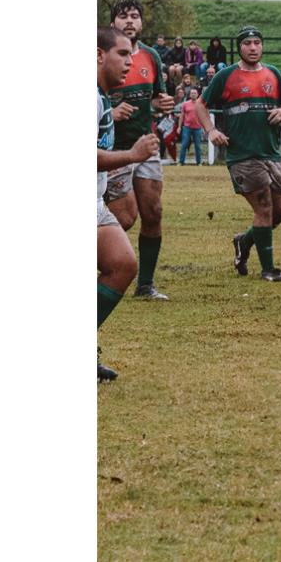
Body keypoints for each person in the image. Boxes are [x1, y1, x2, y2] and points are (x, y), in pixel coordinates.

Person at [191, 26, 281, 282]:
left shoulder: (272, 73)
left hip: (271, 153)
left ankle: (244, 240)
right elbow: (200, 104)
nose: (253, 47)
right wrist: (211, 131)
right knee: (263, 207)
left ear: (262, 46)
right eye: (247, 43)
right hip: (242, 154)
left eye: (257, 43)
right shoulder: (226, 76)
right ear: (239, 47)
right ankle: (269, 270)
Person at [97, 27, 162, 381]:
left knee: (122, 264)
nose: (129, 61)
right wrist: (131, 155)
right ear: (98, 55)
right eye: (122, 54)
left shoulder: (100, 95)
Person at [103, 0, 176, 301]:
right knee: (124, 218)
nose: (130, 22)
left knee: (153, 212)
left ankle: (145, 285)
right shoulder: (101, 56)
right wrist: (111, 110)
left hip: (146, 145)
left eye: (135, 17)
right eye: (123, 17)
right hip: (114, 148)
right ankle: (109, 265)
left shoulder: (152, 56)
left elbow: (156, 100)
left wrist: (162, 105)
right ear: (112, 23)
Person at [177, 87, 205, 165]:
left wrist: (204, 127)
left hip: (198, 128)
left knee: (198, 146)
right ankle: (181, 162)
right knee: (184, 144)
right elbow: (182, 116)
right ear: (189, 95)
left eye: (194, 93)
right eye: (192, 93)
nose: (193, 94)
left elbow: (203, 116)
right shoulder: (185, 104)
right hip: (187, 127)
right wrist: (179, 127)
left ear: (198, 94)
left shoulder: (201, 104)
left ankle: (199, 162)